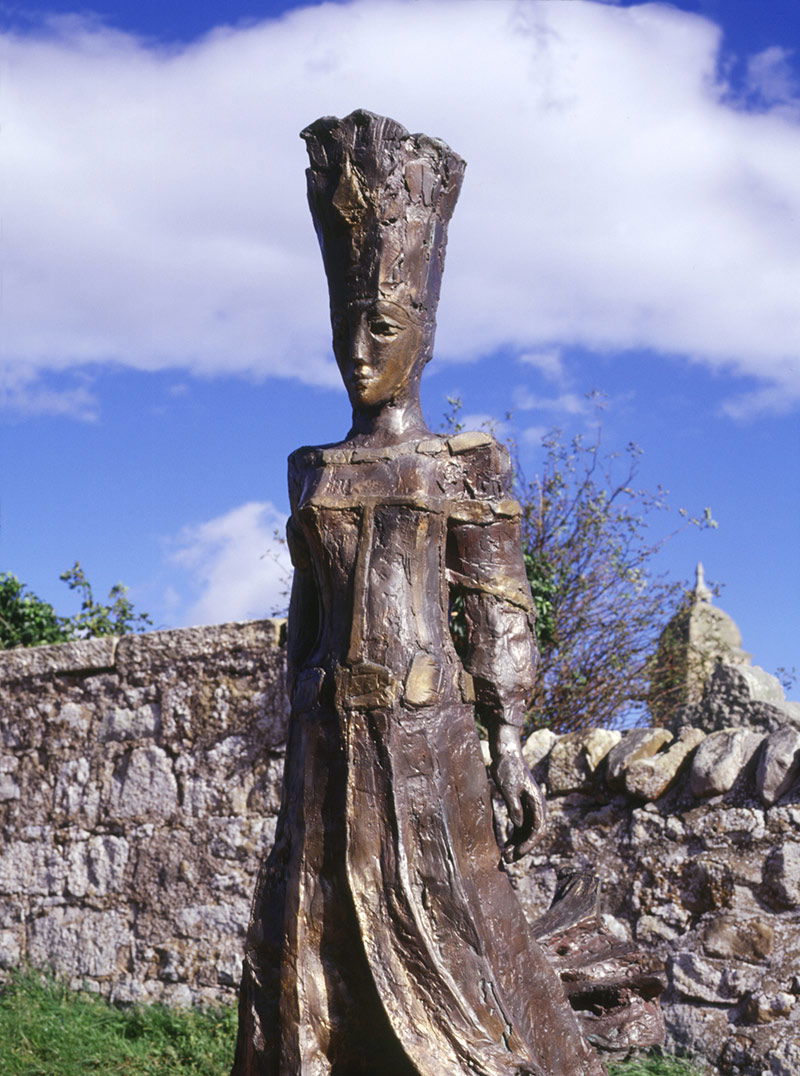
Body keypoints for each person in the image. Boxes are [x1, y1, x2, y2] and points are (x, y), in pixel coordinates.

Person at [232, 109, 604, 1076]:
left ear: (422, 336)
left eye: (382, 326)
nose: (358, 348)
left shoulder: (462, 463)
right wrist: (295, 718)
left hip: (424, 742)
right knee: (308, 926)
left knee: (451, 930)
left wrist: (509, 735)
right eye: (345, 326)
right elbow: (305, 622)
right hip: (324, 744)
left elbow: (502, 606)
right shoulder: (310, 467)